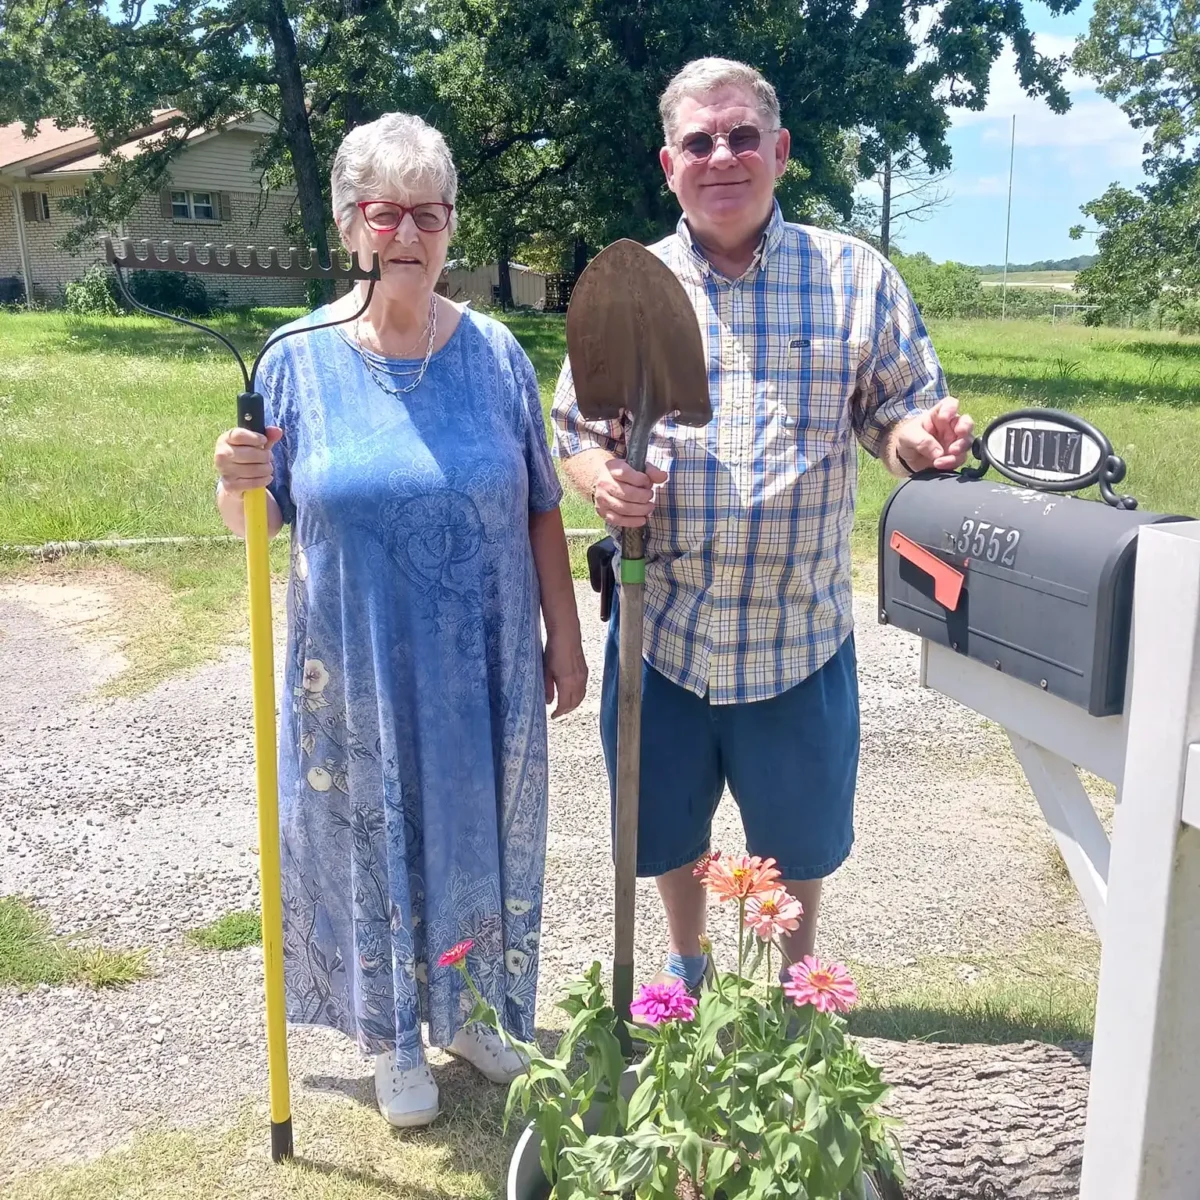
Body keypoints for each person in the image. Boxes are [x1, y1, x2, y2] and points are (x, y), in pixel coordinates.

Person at [551, 58, 974, 999]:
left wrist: (917, 439)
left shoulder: (853, 278)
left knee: (796, 836)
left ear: (779, 151)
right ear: (670, 165)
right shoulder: (630, 286)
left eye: (743, 136)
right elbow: (576, 428)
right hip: (664, 627)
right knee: (665, 824)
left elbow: (897, 412)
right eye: (699, 141)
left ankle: (794, 986)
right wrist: (602, 480)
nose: (723, 156)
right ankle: (688, 964)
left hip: (796, 629)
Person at [213, 112, 587, 1128]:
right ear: (350, 225)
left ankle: (471, 1012)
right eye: (386, 213)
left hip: (482, 660)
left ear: (452, 224)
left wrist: (564, 634)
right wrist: (235, 479)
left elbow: (540, 503)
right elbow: (260, 516)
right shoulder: (293, 357)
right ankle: (391, 1038)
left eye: (430, 212)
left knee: (477, 832)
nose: (409, 234)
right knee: (367, 839)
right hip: (355, 664)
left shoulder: (498, 354)